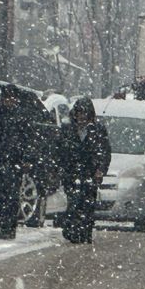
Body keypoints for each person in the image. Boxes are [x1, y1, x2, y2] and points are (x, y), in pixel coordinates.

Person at [0, 84, 34, 240]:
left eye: (12, 98)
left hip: (15, 160)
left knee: (12, 195)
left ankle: (10, 226)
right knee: (1, 194)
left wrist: (27, 159)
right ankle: (4, 225)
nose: (9, 101)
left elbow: (28, 140)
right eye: (6, 97)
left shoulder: (22, 116)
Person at [60, 96, 111, 244]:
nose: (82, 117)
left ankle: (85, 232)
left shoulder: (98, 130)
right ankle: (73, 229)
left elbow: (105, 152)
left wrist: (100, 170)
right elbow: (59, 150)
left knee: (87, 204)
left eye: (85, 114)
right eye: (79, 113)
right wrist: (60, 169)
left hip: (90, 173)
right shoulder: (67, 129)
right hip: (71, 173)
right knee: (74, 202)